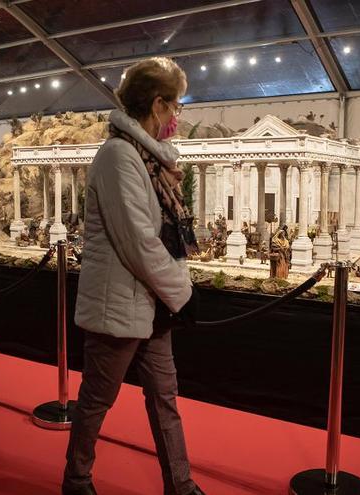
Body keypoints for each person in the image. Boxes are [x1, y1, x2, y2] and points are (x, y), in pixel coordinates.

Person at [64, 57, 204, 495]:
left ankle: (180, 485)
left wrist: (175, 291)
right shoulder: (119, 157)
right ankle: (77, 479)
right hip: (120, 303)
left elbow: (159, 237)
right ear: (157, 104)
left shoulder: (149, 158)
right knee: (97, 400)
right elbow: (139, 243)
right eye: (175, 106)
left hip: (152, 304)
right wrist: (183, 292)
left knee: (165, 398)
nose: (177, 117)